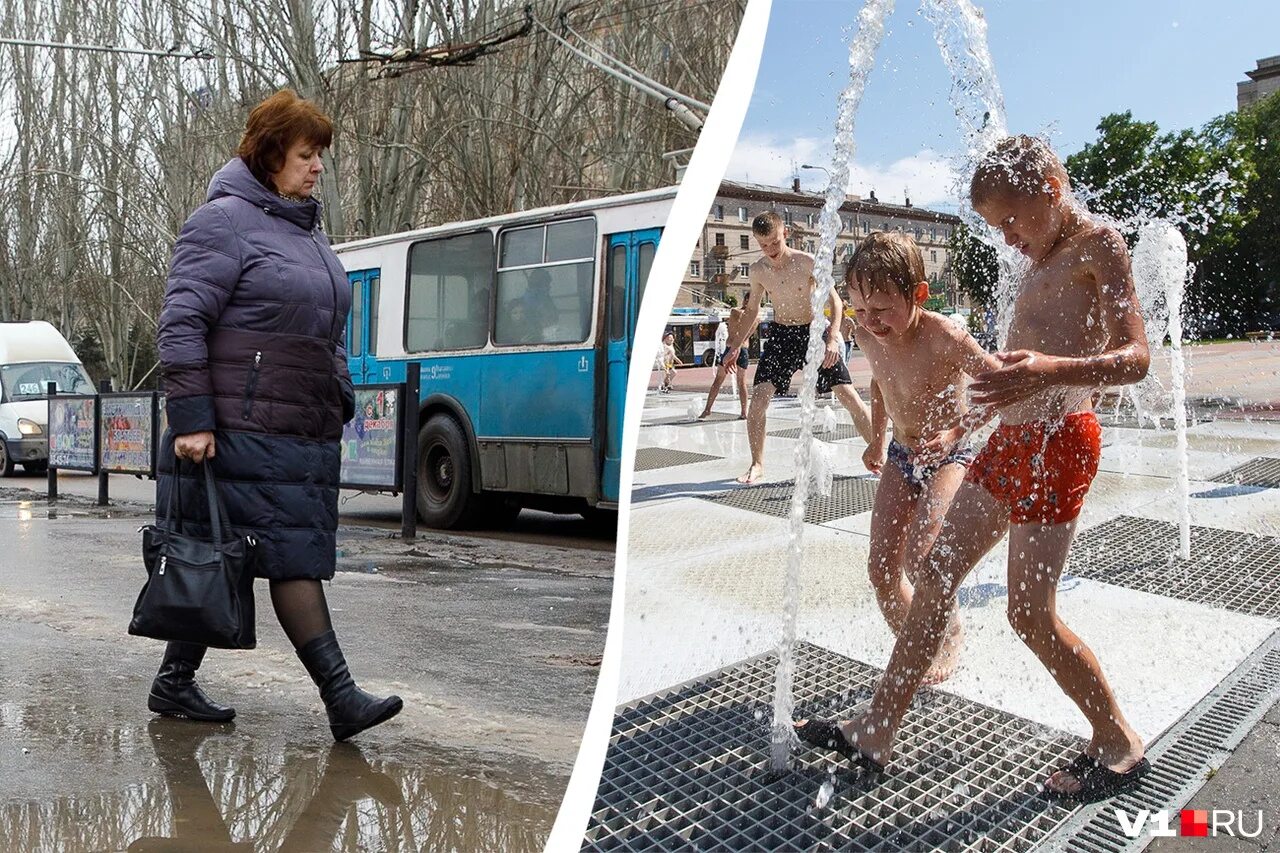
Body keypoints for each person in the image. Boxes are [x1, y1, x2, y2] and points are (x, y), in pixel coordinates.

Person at [797, 135, 1151, 803]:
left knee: (1028, 613)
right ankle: (875, 729)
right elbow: (1015, 370)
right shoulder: (1042, 256)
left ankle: (1119, 743)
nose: (1009, 239)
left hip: (1059, 443)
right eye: (997, 228)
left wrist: (1051, 372)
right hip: (1012, 442)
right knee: (932, 572)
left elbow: (1136, 357)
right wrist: (985, 408)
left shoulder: (1097, 244)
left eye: (1012, 221)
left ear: (1050, 188)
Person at [151, 89, 402, 741]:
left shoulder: (304, 229)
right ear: (269, 157)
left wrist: (340, 389)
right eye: (305, 154)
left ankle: (174, 680)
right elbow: (181, 323)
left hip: (299, 429)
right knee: (291, 559)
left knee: (226, 555)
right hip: (240, 431)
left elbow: (329, 326)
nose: (317, 166)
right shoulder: (223, 222)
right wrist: (194, 419)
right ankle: (341, 698)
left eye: (319, 154)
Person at [846, 232, 999, 684]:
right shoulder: (865, 333)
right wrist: (877, 439)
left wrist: (956, 430)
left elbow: (1000, 385)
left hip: (952, 453)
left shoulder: (945, 336)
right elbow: (878, 382)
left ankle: (946, 637)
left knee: (922, 560)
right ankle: (917, 644)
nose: (870, 322)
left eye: (882, 309)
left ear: (918, 294)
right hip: (901, 452)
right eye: (860, 308)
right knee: (881, 571)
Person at [721, 212, 873, 484]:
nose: (770, 251)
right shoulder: (758, 271)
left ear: (785, 234)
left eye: (775, 243)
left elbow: (836, 303)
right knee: (758, 402)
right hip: (780, 336)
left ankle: (879, 453)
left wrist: (832, 338)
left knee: (847, 395)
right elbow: (753, 310)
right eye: (764, 245)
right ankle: (757, 464)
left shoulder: (807, 263)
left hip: (813, 333)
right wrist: (735, 346)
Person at [699, 308, 754, 420]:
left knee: (728, 381)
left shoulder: (736, 312)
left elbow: (736, 320)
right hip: (739, 348)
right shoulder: (754, 317)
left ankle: (708, 409)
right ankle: (743, 412)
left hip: (734, 348)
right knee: (736, 381)